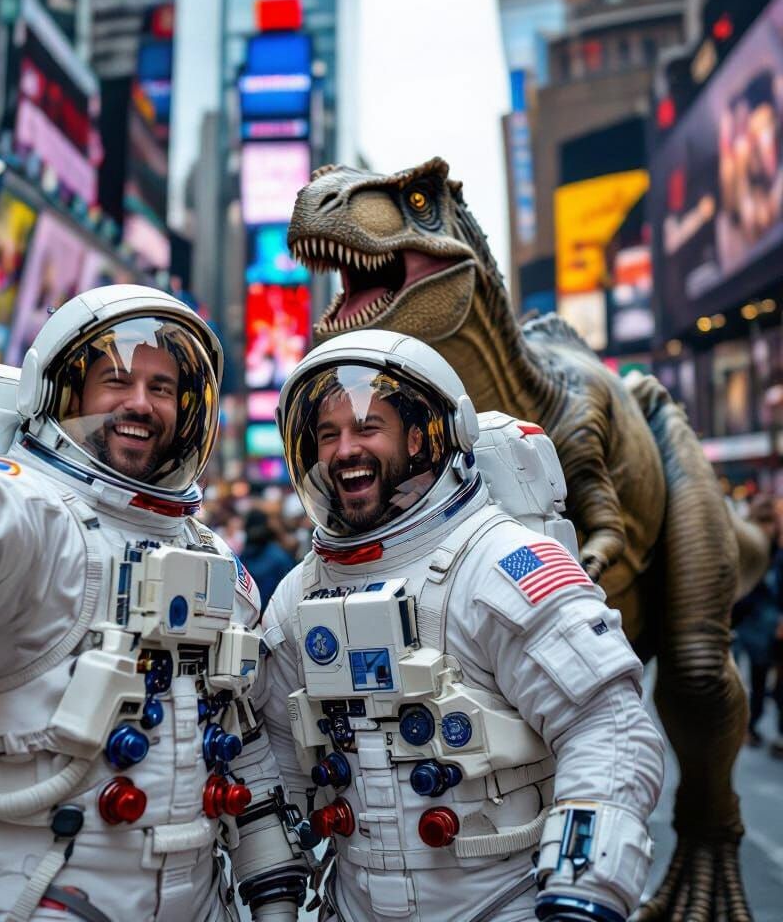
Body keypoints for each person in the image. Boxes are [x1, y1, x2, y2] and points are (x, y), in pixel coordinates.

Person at [0, 192, 308, 922]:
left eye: (162, 387)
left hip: (202, 893)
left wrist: (275, 892)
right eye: (116, 380)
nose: (140, 403)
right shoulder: (36, 518)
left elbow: (239, 740)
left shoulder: (211, 561)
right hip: (48, 887)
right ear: (64, 391)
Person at [255, 330, 665, 922]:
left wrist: (584, 892)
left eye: (368, 427)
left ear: (420, 436)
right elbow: (274, 767)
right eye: (328, 434)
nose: (345, 450)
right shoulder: (300, 594)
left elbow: (608, 727)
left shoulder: (502, 562)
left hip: (505, 904)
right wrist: (274, 902)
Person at [732, 493, 783, 753]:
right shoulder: (752, 547)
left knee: (755, 679)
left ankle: (750, 726)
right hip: (746, 622)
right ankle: (746, 727)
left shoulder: (774, 551)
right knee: (743, 679)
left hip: (759, 624)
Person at [240, 509, 296, 608]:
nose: (255, 532)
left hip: (272, 611)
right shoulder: (245, 555)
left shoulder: (278, 557)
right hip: (249, 611)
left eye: (258, 529)